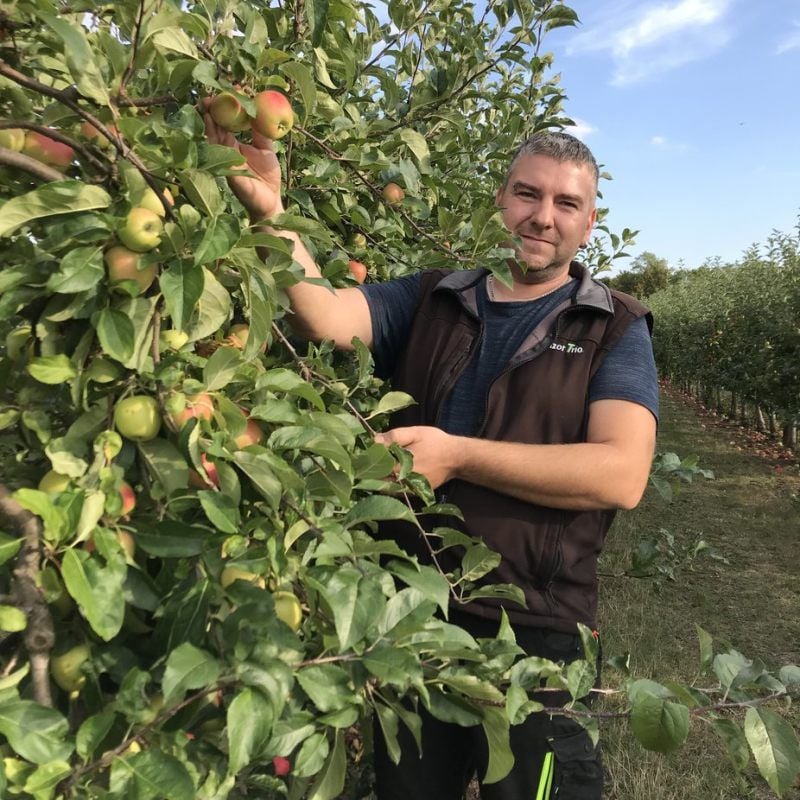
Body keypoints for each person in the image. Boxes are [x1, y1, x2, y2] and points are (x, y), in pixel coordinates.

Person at [204, 107, 658, 800]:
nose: (543, 216)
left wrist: (459, 457)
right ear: (499, 201)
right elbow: (324, 315)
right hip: (409, 617)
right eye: (528, 194)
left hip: (536, 625)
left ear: (589, 222)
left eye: (567, 203)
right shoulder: (430, 297)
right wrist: (270, 209)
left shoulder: (612, 327)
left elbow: (621, 473)